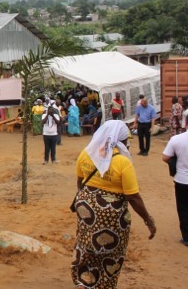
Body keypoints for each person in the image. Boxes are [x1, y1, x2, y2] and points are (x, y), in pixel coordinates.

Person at [71, 120, 156, 288]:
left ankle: (84, 282)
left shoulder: (86, 153)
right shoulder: (123, 162)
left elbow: (81, 183)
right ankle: (105, 283)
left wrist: (89, 203)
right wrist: (148, 219)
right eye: (127, 140)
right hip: (111, 214)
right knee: (111, 252)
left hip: (86, 209)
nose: (128, 143)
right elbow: (133, 197)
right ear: (120, 140)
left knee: (86, 245)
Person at [162, 130, 188, 246]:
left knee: (183, 208)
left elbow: (165, 157)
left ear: (186, 124)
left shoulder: (176, 139)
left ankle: (186, 237)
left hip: (182, 179)